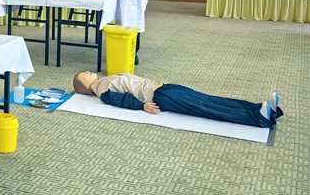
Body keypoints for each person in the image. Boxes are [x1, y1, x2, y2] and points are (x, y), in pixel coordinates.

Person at [72, 71, 282, 128]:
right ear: (85, 87)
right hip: (161, 96)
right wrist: (142, 106)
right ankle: (258, 118)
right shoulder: (102, 90)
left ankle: (260, 108)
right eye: (84, 75)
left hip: (165, 88)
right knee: (205, 107)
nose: (88, 72)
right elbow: (122, 100)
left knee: (208, 99)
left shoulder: (104, 80)